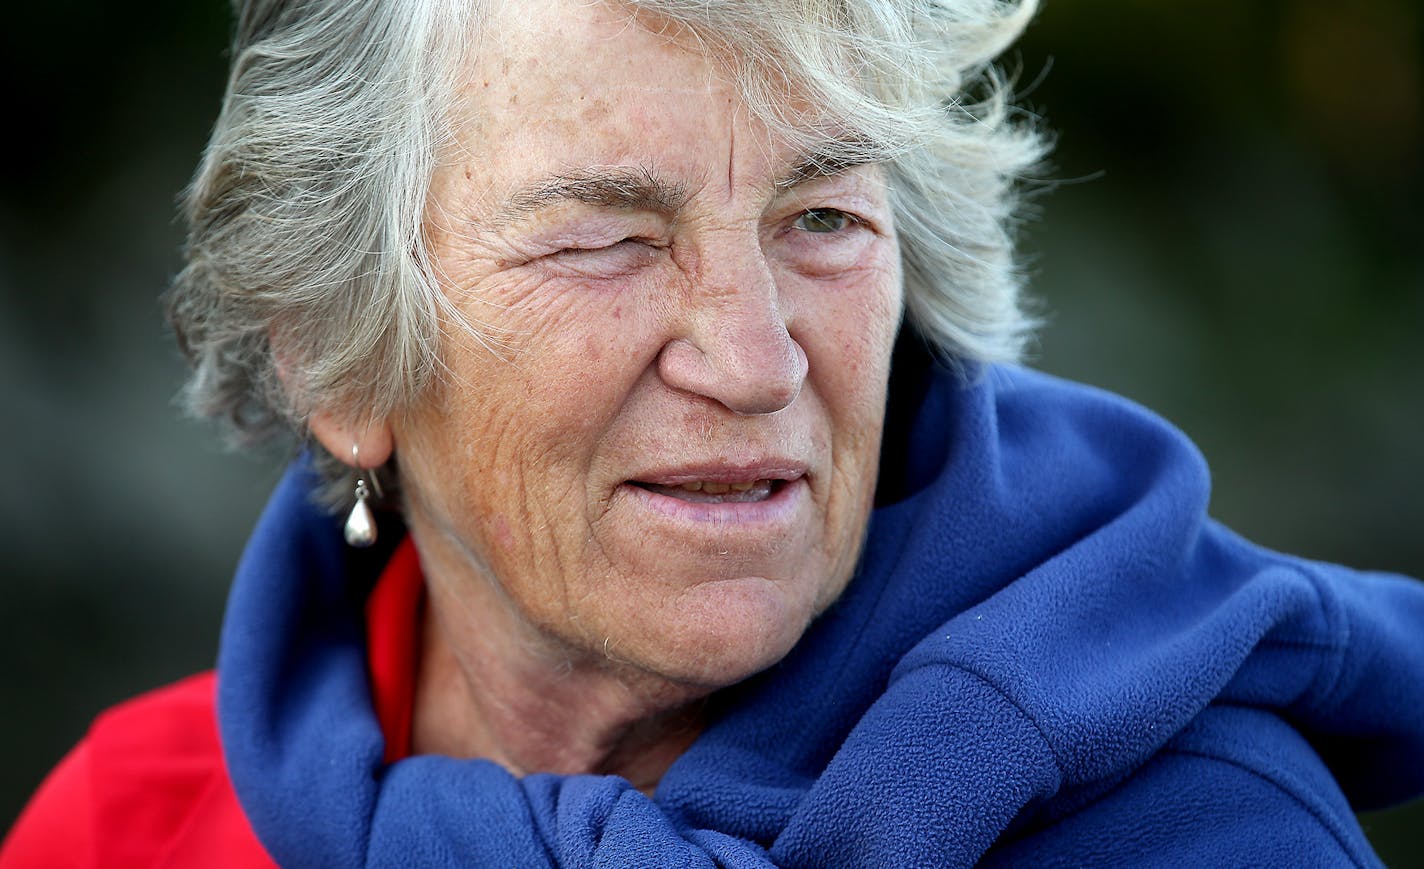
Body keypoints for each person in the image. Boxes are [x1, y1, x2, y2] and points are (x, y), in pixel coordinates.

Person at [4, 0, 1423, 865]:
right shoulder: (136, 827)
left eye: (821, 222)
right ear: (334, 349)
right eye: (609, 239)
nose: (752, 360)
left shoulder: (1198, 831)